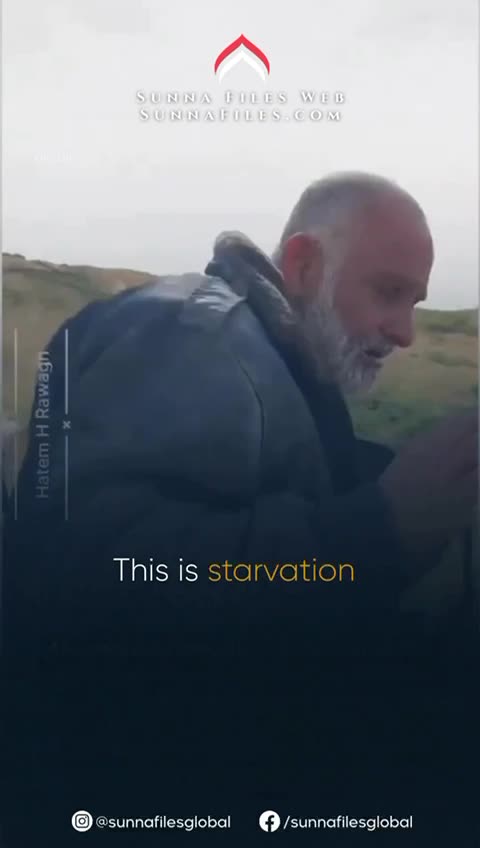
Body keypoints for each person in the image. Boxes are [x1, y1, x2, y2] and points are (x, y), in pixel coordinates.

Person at [4, 172, 478, 844]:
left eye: (417, 302)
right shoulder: (197, 336)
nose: (404, 332)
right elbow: (95, 577)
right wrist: (380, 530)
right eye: (389, 293)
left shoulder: (259, 351)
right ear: (305, 264)